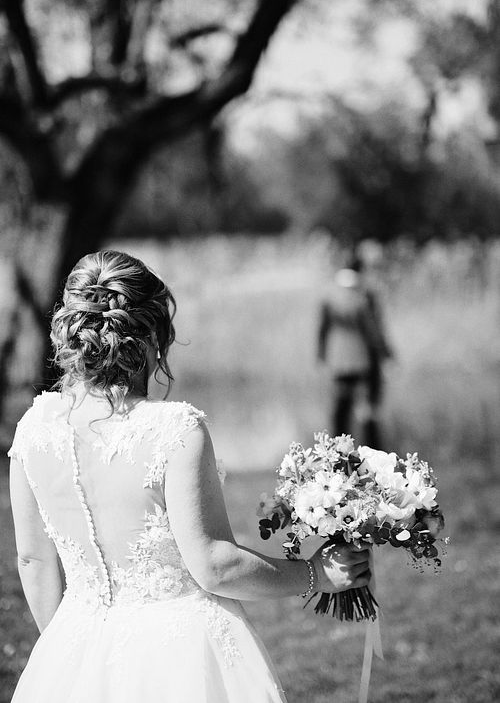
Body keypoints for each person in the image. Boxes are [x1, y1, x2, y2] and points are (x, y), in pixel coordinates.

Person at [8, 250, 371, 703]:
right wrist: (314, 573)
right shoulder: (173, 430)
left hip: (72, 646)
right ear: (153, 335)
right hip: (179, 655)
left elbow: (33, 561)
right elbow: (214, 566)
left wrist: (70, 657)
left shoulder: (34, 431)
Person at [317, 254, 393, 449]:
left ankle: (336, 451)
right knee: (365, 408)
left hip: (337, 361)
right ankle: (372, 450)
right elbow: (372, 332)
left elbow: (322, 330)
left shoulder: (330, 296)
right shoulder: (362, 298)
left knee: (340, 409)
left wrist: (321, 355)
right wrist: (386, 354)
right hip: (361, 360)